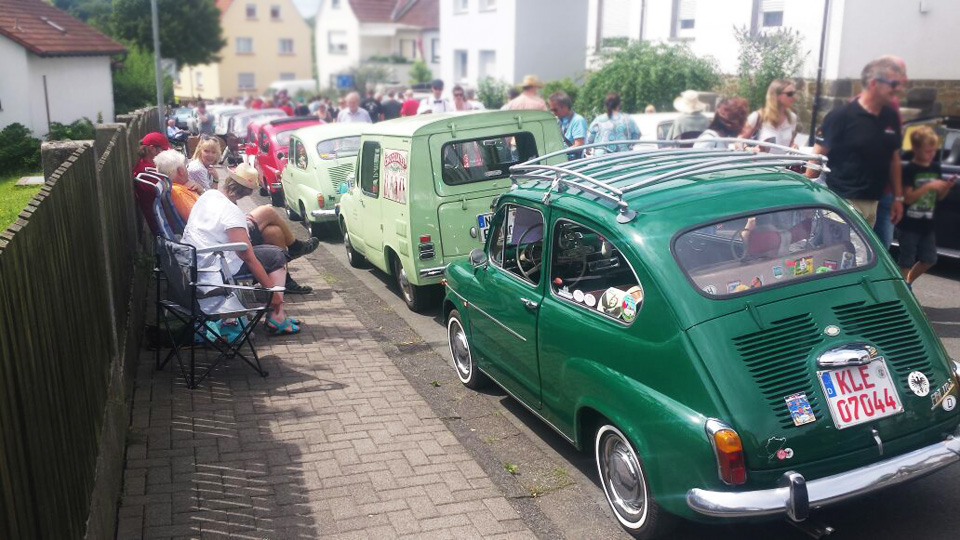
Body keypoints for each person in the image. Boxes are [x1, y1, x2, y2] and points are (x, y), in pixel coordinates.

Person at [181, 166, 301, 334]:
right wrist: (273, 295)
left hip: (196, 258)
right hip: (216, 266)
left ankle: (278, 315)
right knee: (277, 256)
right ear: (247, 193)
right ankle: (277, 314)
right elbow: (247, 256)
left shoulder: (208, 195)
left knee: (273, 232)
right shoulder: (232, 213)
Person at [807, 57, 905, 227]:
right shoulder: (841, 116)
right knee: (843, 253)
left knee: (869, 254)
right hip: (843, 203)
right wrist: (807, 196)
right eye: (894, 84)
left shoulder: (890, 117)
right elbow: (816, 157)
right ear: (874, 83)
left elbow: (894, 158)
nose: (898, 89)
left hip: (873, 202)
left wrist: (898, 198)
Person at [896, 126, 955, 287]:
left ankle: (907, 284)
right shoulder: (909, 169)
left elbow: (939, 197)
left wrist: (945, 188)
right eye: (927, 151)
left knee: (929, 259)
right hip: (908, 223)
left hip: (926, 223)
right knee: (906, 260)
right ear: (915, 149)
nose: (931, 155)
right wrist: (929, 186)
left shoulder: (935, 167)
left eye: (933, 151)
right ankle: (901, 292)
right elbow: (908, 198)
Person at [871, 55, 909, 248]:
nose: (905, 80)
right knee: (856, 250)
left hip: (885, 193)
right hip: (863, 192)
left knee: (882, 247)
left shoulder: (892, 108)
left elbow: (895, 155)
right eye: (900, 74)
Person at [740, 79, 799, 151]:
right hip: (761, 161)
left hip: (783, 162)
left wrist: (793, 146)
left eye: (794, 93)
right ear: (777, 95)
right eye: (790, 94)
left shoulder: (792, 118)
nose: (795, 98)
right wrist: (751, 150)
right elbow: (738, 142)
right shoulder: (758, 116)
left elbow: (789, 143)